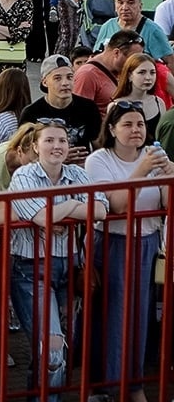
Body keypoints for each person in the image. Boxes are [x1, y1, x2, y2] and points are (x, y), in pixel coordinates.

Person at [8, 120, 108, 397]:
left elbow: (100, 209)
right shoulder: (24, 176)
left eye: (62, 140)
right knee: (52, 349)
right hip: (31, 270)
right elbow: (41, 217)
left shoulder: (78, 173)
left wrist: (63, 208)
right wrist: (76, 205)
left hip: (70, 267)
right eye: (49, 140)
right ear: (35, 146)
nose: (57, 146)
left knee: (60, 349)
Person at [86, 101, 174, 400]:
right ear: (111, 129)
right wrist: (142, 170)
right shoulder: (99, 160)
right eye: (127, 124)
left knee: (140, 317)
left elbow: (164, 202)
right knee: (115, 317)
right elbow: (116, 205)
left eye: (140, 124)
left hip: (147, 242)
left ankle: (128, 383)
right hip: (113, 244)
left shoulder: (153, 156)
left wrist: (169, 173)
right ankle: (118, 387)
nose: (136, 130)